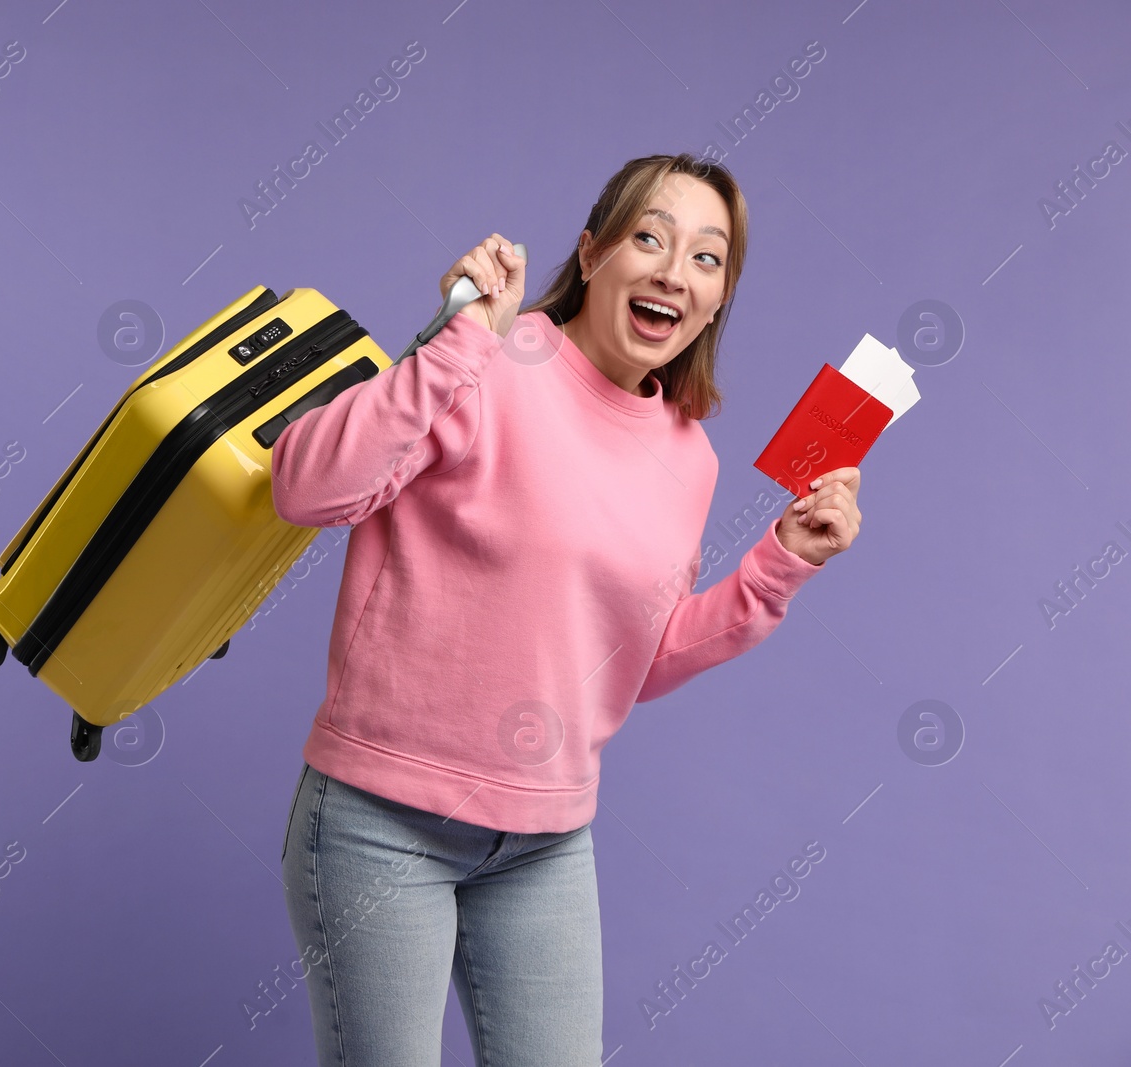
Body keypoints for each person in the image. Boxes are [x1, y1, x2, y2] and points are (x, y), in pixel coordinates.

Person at [269, 151, 863, 1066]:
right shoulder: (490, 362)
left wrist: (778, 565)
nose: (674, 270)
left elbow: (635, 660)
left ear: (716, 300)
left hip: (544, 842)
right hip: (381, 819)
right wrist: (462, 339)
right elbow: (307, 485)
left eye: (708, 258)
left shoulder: (688, 456)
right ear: (591, 254)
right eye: (649, 238)